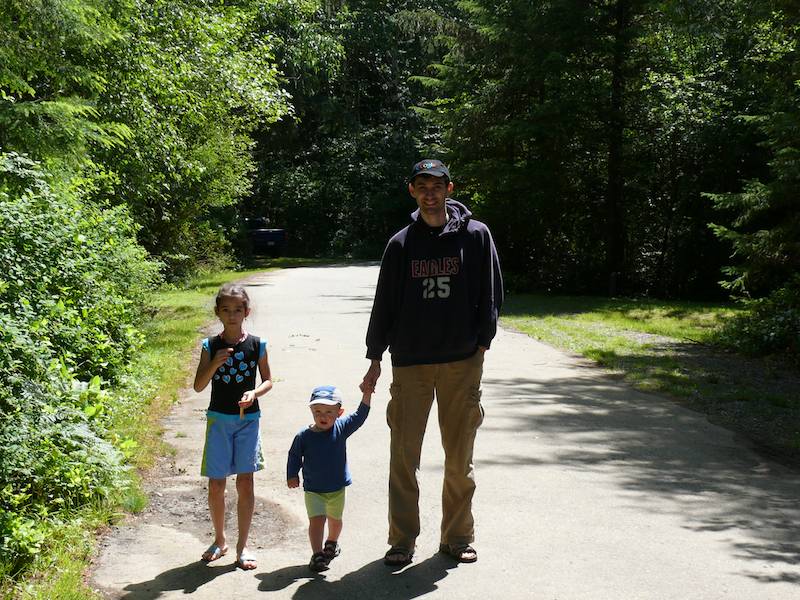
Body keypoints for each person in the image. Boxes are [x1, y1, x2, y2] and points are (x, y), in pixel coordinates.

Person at [361, 158, 503, 567]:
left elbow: (491, 292)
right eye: (421, 185)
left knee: (459, 456)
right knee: (404, 458)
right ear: (412, 191)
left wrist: (482, 343)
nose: (429, 192)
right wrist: (375, 357)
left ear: (449, 189)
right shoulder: (401, 244)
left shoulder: (476, 236)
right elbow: (384, 304)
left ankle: (457, 537)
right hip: (410, 362)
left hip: (461, 361)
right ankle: (402, 540)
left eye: (436, 185)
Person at [193, 283, 273, 570]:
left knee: (246, 482)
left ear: (246, 312)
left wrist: (255, 393)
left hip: (247, 422)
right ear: (218, 313)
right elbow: (199, 385)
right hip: (218, 422)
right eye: (226, 310)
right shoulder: (210, 346)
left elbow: (268, 380)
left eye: (237, 310)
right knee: (216, 484)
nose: (232, 315)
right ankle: (220, 540)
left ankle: (243, 546)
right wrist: (214, 363)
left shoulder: (257, 344)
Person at [287, 385, 371, 572]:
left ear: (339, 412)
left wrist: (366, 394)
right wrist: (292, 474)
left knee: (335, 519)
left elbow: (360, 417)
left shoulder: (341, 428)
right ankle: (317, 554)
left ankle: (332, 542)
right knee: (316, 521)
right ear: (311, 411)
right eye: (317, 411)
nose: (322, 416)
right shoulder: (304, 436)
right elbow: (294, 455)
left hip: (336, 488)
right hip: (313, 489)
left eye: (328, 412)